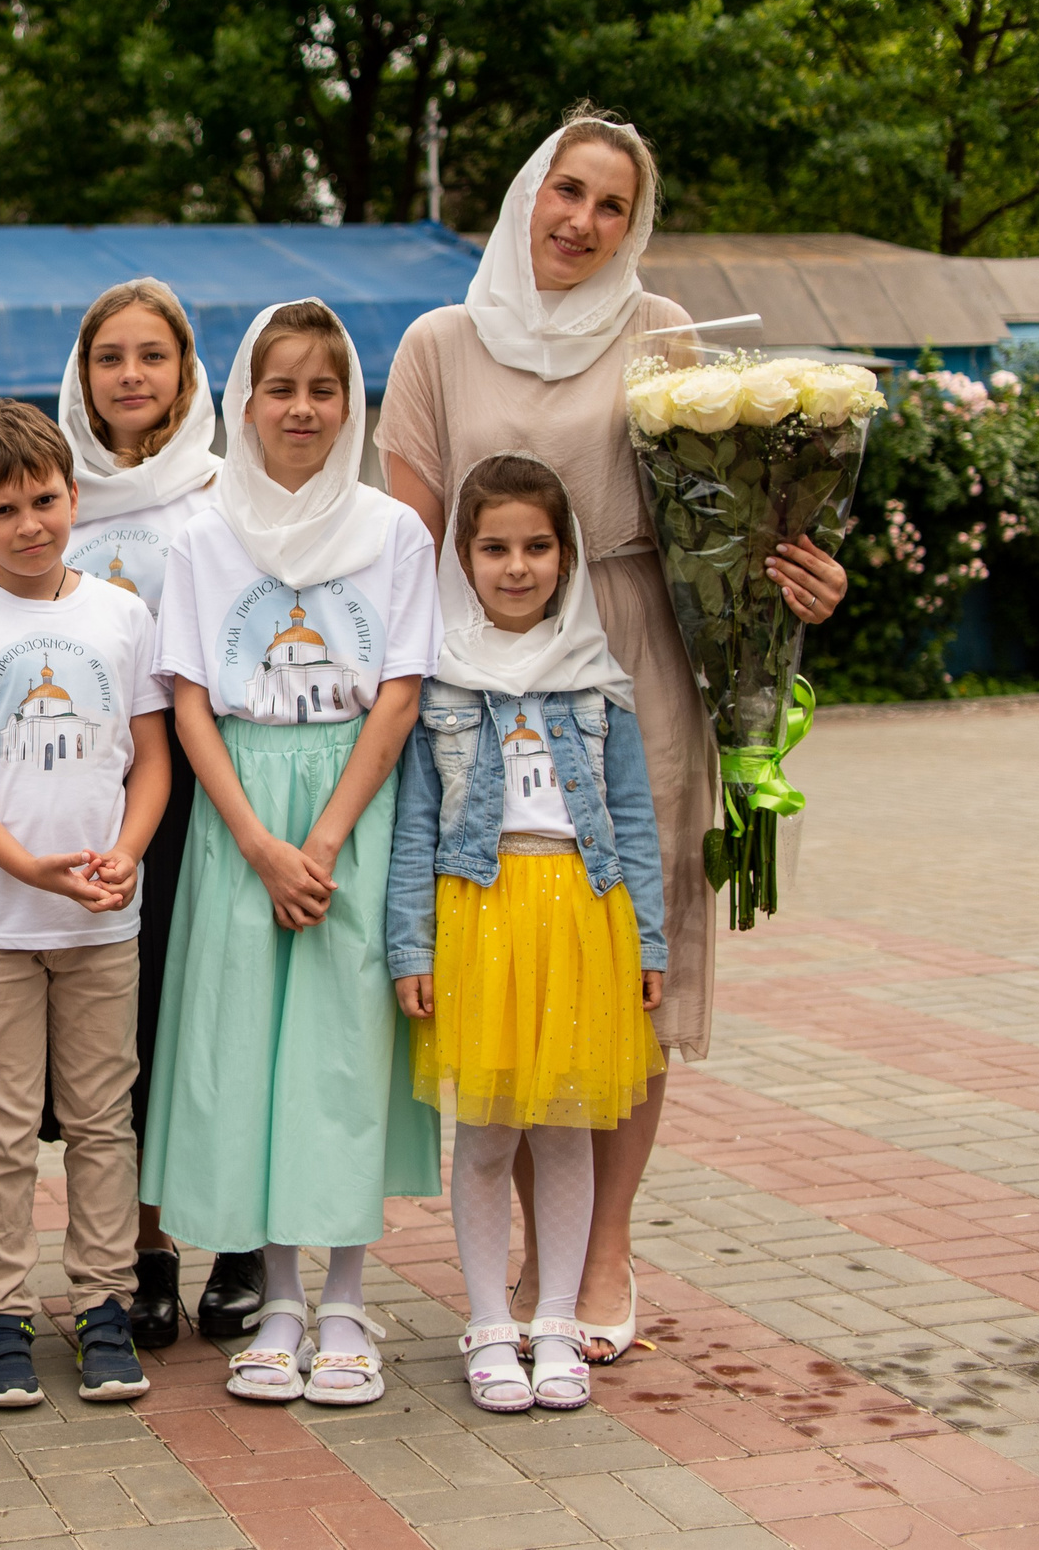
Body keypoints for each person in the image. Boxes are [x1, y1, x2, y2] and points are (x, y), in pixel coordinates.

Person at [375, 105, 847, 1360]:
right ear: (529, 189)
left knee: (628, 958)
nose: (582, 222)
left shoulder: (663, 334)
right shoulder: (440, 342)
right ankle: (524, 1249)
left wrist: (801, 582)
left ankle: (602, 1248)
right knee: (514, 969)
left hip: (634, 655)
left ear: (635, 228)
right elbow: (398, 548)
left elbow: (729, 517)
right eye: (566, 191)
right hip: (479, 677)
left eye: (613, 207)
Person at [141, 300, 442, 1409]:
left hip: (350, 810)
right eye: (281, 387)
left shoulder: (393, 531)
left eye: (325, 387)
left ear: (350, 400)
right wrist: (262, 843)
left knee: (342, 1052)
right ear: (245, 399)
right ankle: (273, 1300)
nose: (303, 408)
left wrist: (321, 838)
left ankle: (350, 1301)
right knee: (248, 1055)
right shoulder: (202, 533)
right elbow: (186, 701)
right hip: (240, 820)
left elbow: (400, 692)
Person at [0, 400, 172, 1410]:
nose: (30, 523)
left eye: (46, 499)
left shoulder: (118, 612)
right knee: (0, 1125)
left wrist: (126, 852)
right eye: (4, 507)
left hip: (103, 918)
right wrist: (20, 863)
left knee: (104, 1120)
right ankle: (2, 1315)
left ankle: (104, 1306)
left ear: (74, 495)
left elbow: (150, 760)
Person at [388, 455, 667, 1414]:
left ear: (568, 555)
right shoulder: (442, 685)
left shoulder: (596, 679)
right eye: (495, 546)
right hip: (482, 913)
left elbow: (633, 819)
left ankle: (555, 1318)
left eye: (538, 546)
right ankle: (488, 1324)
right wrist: (410, 948)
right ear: (462, 558)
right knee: (487, 1134)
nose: (517, 566)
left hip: (584, 918)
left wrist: (651, 944)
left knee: (565, 1129)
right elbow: (416, 827)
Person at [53, 279, 227, 1347]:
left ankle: (243, 1241)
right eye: (108, 356)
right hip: (89, 791)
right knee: (129, 1032)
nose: (129, 375)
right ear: (82, 374)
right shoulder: (51, 491)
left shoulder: (224, 489)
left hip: (206, 781)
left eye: (150, 355)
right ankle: (145, 1252)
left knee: (212, 1012)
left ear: (186, 369)